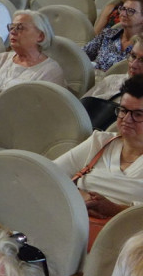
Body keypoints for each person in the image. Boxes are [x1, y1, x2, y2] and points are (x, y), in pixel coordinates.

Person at [53, 74, 143, 222]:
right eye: (123, 110)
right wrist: (83, 197)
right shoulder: (100, 141)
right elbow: (52, 173)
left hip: (126, 237)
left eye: (138, 114)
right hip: (72, 219)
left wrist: (116, 210)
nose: (126, 119)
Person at [0, 10, 65, 110]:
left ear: (40, 36)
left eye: (20, 28)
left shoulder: (50, 71)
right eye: (11, 27)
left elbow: (44, 111)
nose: (12, 32)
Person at [84, 0, 143, 71]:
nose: (123, 14)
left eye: (131, 11)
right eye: (123, 9)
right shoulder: (107, 34)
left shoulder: (141, 44)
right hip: (95, 80)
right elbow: (82, 55)